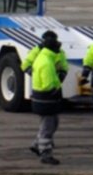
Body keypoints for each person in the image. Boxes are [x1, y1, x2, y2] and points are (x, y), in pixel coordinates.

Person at [22, 29, 68, 165]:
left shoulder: (46, 56)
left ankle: (37, 145)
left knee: (52, 124)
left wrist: (60, 76)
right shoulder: (46, 60)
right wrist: (56, 86)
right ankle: (45, 153)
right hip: (47, 98)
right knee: (47, 127)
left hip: (44, 98)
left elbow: (62, 67)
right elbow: (48, 83)